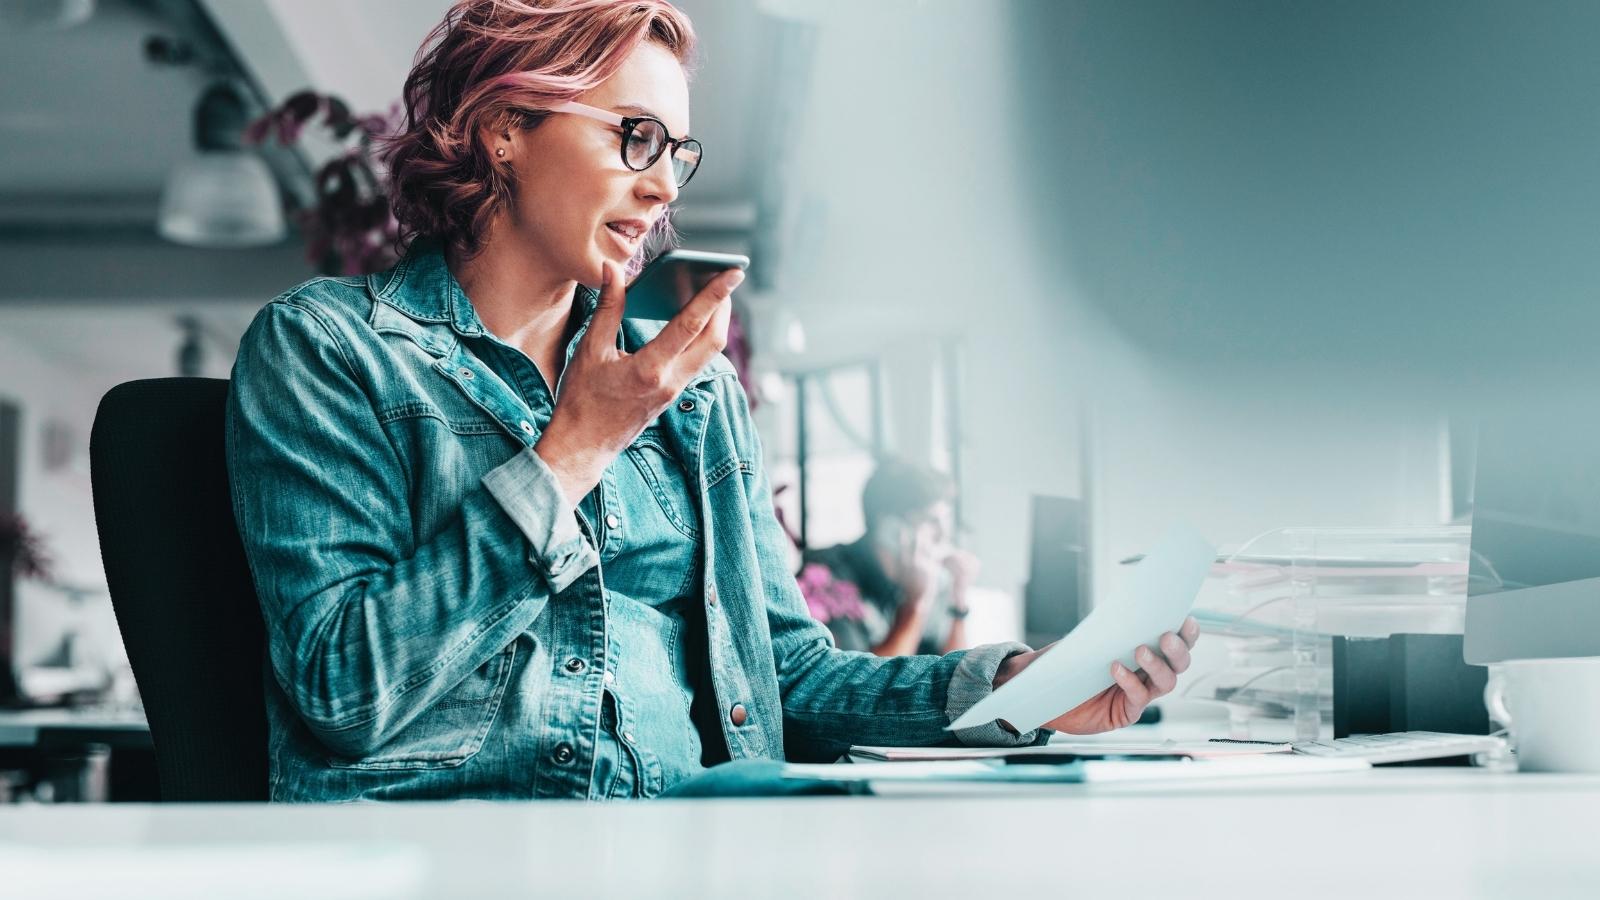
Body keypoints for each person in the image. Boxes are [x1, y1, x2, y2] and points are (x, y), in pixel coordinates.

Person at [225, 0, 1199, 802]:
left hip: (696, 846)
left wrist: (1019, 694)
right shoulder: (331, 348)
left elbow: (792, 678)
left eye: (676, 155)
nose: (661, 192)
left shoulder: (692, 392)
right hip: (451, 857)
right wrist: (570, 454)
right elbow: (343, 688)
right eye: (633, 138)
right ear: (503, 129)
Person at [802, 459, 980, 656]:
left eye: (945, 522)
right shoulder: (825, 576)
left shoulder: (924, 578)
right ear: (890, 529)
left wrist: (958, 600)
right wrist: (915, 605)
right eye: (931, 521)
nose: (942, 536)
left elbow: (957, 674)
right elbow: (860, 682)